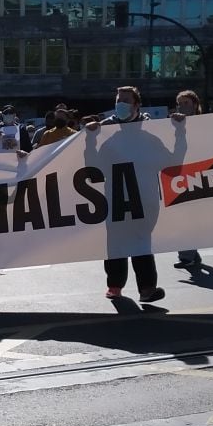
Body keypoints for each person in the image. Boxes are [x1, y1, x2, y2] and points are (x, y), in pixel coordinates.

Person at [86, 86, 165, 304]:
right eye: (118, 100)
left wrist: (180, 130)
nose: (121, 105)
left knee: (141, 243)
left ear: (137, 105)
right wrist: (90, 139)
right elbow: (94, 168)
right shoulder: (108, 137)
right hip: (116, 198)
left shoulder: (150, 135)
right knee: (115, 243)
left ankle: (147, 288)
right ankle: (115, 285)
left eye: (126, 101)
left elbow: (170, 161)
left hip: (144, 198)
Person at [170, 90, 204, 269]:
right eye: (179, 103)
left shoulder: (203, 125)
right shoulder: (173, 124)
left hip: (199, 173)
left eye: (186, 103)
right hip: (179, 175)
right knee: (182, 216)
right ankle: (188, 254)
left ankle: (188, 254)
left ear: (195, 105)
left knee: (192, 216)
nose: (182, 107)